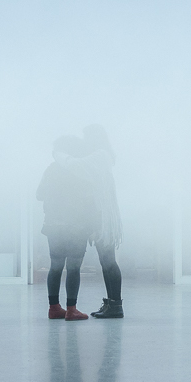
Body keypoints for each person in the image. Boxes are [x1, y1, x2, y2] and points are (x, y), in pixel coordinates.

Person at [54, 124, 124, 319]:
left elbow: (76, 165)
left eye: (87, 136)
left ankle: (116, 306)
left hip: (103, 218)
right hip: (102, 217)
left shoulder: (100, 155)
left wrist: (59, 155)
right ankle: (112, 303)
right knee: (106, 261)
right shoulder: (102, 155)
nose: (84, 140)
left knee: (108, 261)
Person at [36, 135, 98, 321]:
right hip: (77, 226)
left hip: (54, 225)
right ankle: (72, 309)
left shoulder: (51, 169)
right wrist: (92, 226)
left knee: (55, 266)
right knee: (73, 267)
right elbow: (90, 200)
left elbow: (39, 194)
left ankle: (54, 308)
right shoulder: (80, 169)